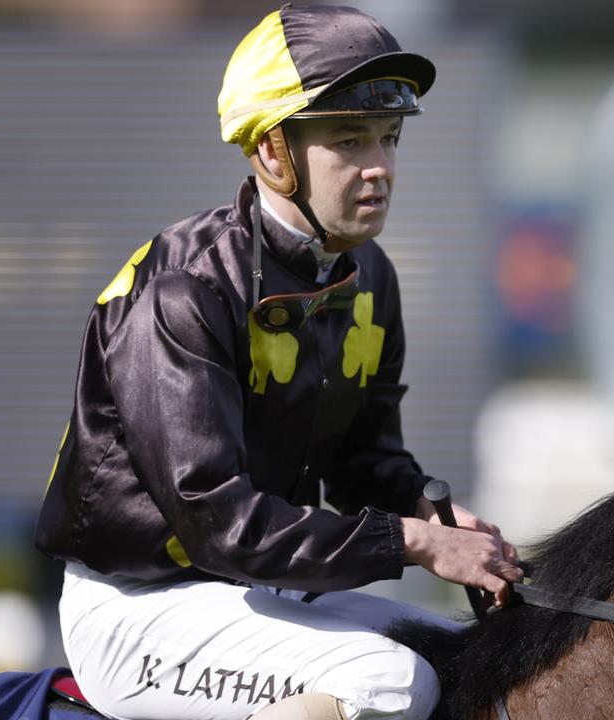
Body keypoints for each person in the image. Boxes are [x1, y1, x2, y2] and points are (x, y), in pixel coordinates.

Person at [34, 6, 522, 720]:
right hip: (136, 608)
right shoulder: (185, 291)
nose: (380, 167)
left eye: (388, 138)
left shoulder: (369, 276)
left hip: (261, 591)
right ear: (272, 152)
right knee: (390, 683)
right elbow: (219, 524)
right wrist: (414, 543)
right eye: (349, 141)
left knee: (465, 659)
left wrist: (432, 512)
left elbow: (362, 464)